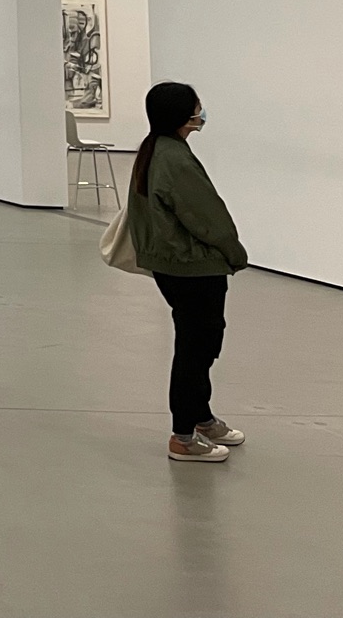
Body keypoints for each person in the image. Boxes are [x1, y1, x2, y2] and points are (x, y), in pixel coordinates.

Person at [128, 81, 247, 463]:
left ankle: (200, 417)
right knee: (196, 349)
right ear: (184, 114)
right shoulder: (174, 160)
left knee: (198, 342)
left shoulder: (156, 150)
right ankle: (183, 436)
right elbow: (206, 217)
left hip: (174, 265)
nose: (201, 111)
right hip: (193, 267)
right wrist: (235, 253)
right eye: (196, 106)